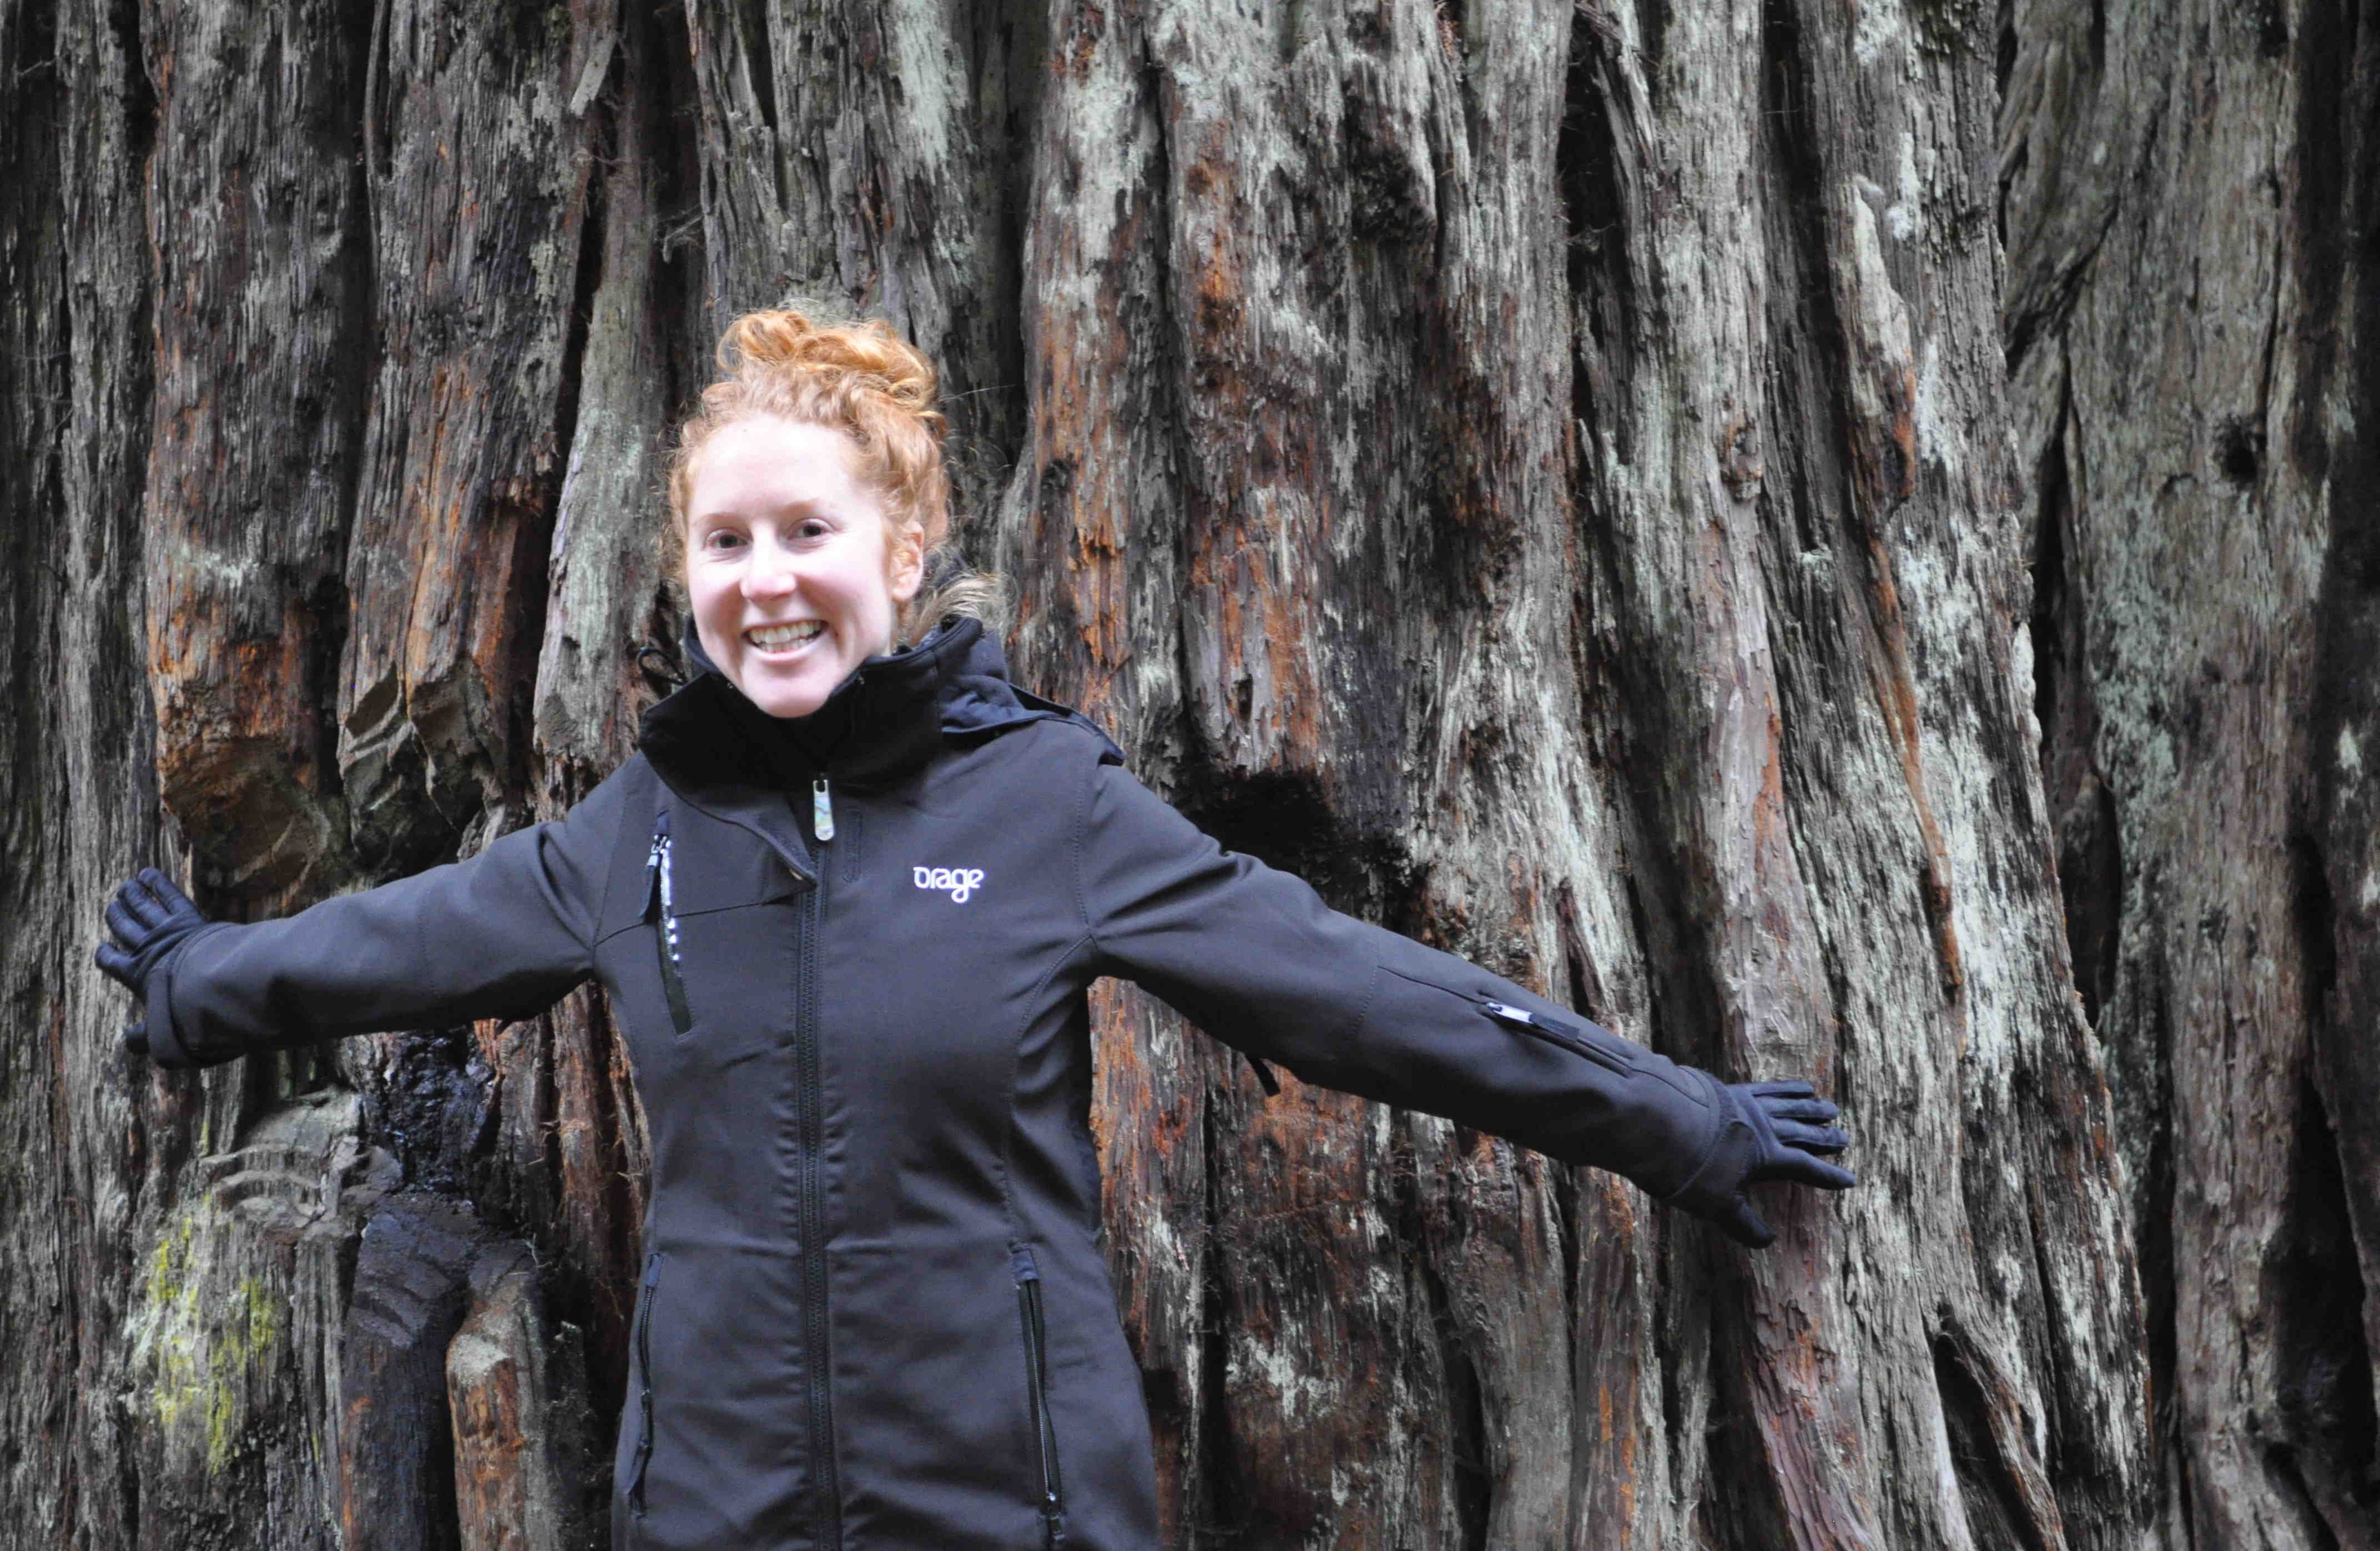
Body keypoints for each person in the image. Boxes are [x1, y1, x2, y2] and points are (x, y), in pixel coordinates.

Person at [95, 310, 1854, 1551]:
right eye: (726, 541)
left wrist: (1678, 1119)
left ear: (904, 548)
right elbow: (400, 942)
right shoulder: (642, 829)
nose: (766, 579)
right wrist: (197, 986)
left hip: (1014, 1504)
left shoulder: (1043, 806)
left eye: (809, 529)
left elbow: (1351, 989)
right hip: (714, 1510)